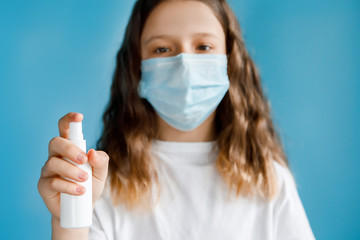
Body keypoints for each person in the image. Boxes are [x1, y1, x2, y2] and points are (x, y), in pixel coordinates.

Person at [37, 0, 315, 239]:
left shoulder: (269, 180)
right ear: (137, 68)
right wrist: (69, 224)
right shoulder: (99, 186)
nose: (184, 64)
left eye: (203, 46)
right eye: (162, 49)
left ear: (231, 61)